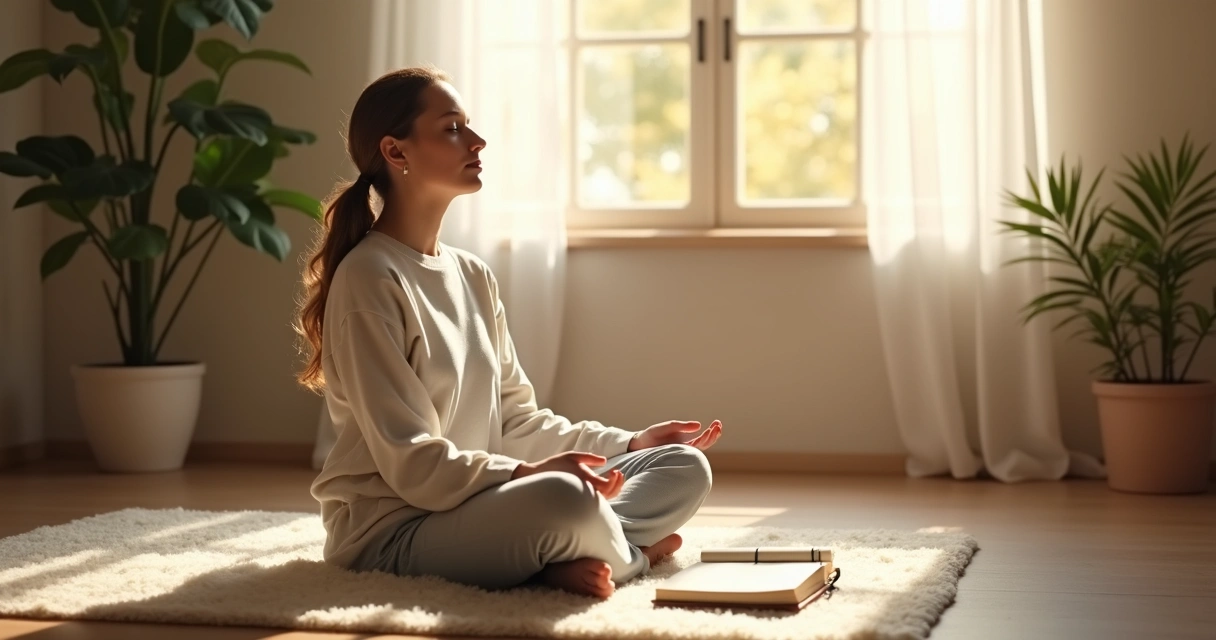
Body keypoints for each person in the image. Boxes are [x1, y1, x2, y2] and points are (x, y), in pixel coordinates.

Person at [294, 66, 724, 599]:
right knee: (567, 499)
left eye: (468, 125)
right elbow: (411, 462)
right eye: (452, 128)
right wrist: (527, 475)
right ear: (396, 152)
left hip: (480, 505)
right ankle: (626, 555)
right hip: (393, 532)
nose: (477, 141)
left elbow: (518, 420)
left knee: (683, 466)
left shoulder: (473, 276)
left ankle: (574, 552)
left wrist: (632, 442)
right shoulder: (369, 278)